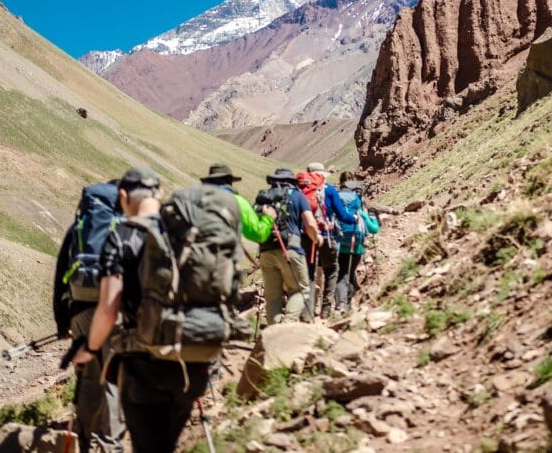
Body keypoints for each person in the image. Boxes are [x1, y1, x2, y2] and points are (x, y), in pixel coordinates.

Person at [74, 166, 272, 453]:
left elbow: (107, 308)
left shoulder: (122, 236)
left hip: (144, 363)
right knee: (166, 442)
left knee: (148, 446)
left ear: (123, 196)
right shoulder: (186, 235)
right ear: (161, 194)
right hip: (195, 360)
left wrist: (91, 349)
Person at [53, 185, 126, 453]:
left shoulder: (79, 228)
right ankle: (111, 444)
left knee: (86, 374)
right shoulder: (124, 227)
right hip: (113, 308)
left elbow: (60, 276)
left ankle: (84, 438)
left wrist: (62, 324)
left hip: (79, 310)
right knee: (113, 374)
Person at [258, 168, 319, 324]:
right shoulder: (297, 196)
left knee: (272, 297)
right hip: (290, 249)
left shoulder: (264, 197)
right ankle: (287, 325)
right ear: (291, 181)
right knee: (300, 289)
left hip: (265, 250)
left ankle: (274, 331)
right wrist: (316, 238)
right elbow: (310, 223)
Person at [304, 162, 356, 319]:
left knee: (309, 273)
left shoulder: (302, 191)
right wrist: (354, 218)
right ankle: (326, 310)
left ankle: (308, 311)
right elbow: (342, 215)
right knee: (331, 270)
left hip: (307, 237)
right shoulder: (331, 191)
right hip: (327, 236)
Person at [335, 172, 381, 313]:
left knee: (342, 272)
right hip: (357, 243)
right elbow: (373, 229)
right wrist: (372, 217)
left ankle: (342, 304)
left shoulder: (337, 199)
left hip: (340, 241)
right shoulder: (358, 203)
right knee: (350, 272)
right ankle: (347, 305)